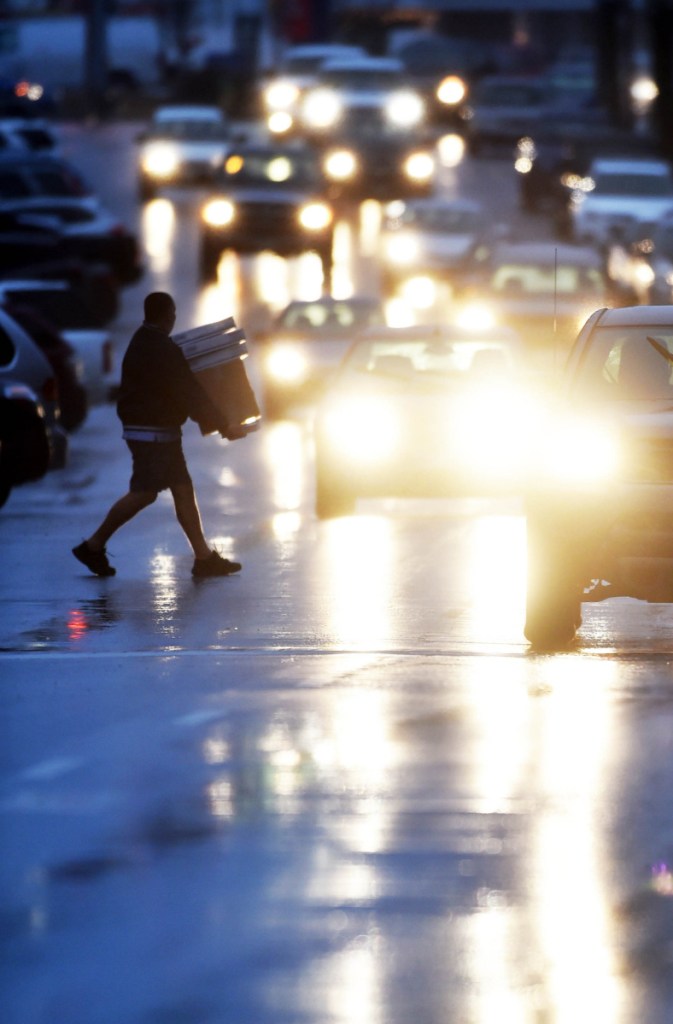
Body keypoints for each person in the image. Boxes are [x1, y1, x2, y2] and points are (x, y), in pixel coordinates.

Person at [72, 291, 244, 579]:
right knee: (144, 493)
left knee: (182, 487)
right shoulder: (162, 348)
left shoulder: (144, 341)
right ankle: (93, 545)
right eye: (173, 314)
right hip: (151, 433)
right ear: (168, 315)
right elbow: (190, 392)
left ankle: (203, 558)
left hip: (156, 431)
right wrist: (225, 424)